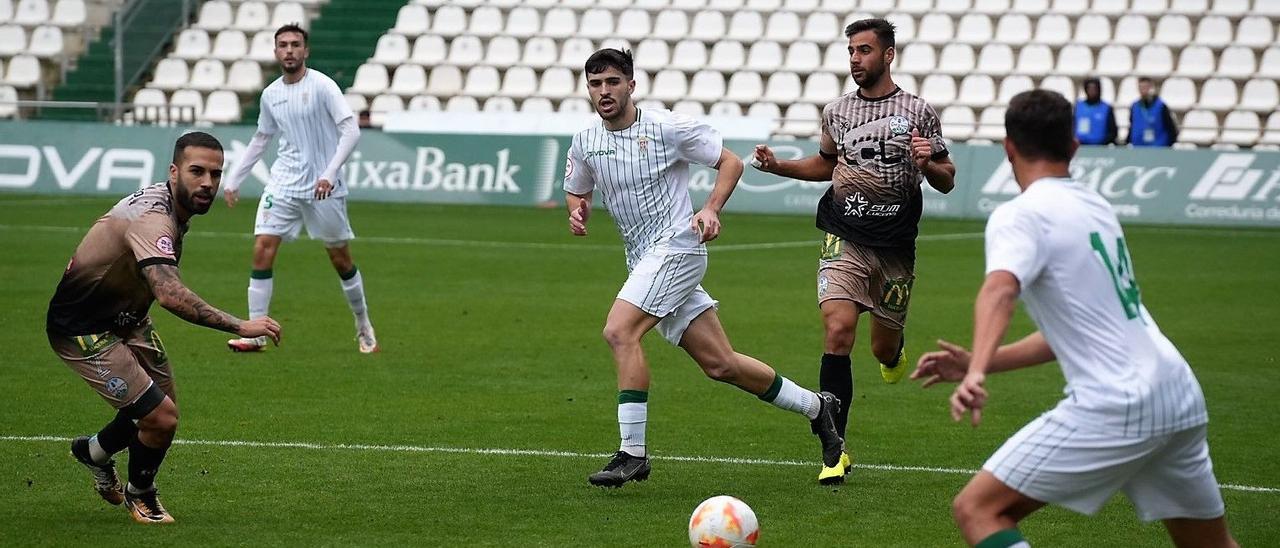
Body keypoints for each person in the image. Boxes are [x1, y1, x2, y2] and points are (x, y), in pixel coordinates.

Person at [910, 89, 1237, 548]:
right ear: (1075, 145)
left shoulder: (1020, 215)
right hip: (1178, 392)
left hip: (1119, 401)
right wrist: (979, 362)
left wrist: (979, 370)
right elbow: (1085, 326)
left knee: (980, 509)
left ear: (1008, 148)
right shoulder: (1097, 207)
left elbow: (1000, 290)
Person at [564, 48, 845, 488]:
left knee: (620, 331)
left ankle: (632, 453)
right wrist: (577, 210)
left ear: (631, 85)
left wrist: (710, 208)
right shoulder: (585, 141)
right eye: (596, 84)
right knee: (722, 365)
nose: (605, 91)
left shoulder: (666, 127)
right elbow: (577, 190)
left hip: (678, 248)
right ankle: (818, 407)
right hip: (643, 259)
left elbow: (730, 161)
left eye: (613, 82)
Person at [750, 17, 955, 484]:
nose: (855, 59)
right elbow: (826, 164)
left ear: (888, 55)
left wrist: (929, 164)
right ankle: (834, 448)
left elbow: (947, 179)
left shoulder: (919, 110)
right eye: (850, 52)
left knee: (881, 349)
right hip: (844, 234)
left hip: (896, 247)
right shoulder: (837, 111)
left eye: (864, 51)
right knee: (837, 330)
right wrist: (779, 165)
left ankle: (893, 352)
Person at [49, 132, 282, 524]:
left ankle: (92, 453)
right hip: (83, 326)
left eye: (215, 173)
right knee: (160, 418)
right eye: (196, 171)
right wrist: (242, 324)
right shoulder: (154, 218)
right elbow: (171, 294)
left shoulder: (173, 207)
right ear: (174, 172)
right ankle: (141, 495)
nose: (207, 182)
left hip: (129, 318)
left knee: (158, 411)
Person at [222, 23, 377, 354]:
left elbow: (351, 130)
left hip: (324, 186)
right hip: (284, 182)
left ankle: (362, 322)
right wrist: (234, 178)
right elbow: (262, 137)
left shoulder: (323, 86)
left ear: (305, 51)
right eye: (283, 45)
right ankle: (255, 332)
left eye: (295, 44)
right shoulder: (271, 95)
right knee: (263, 247)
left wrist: (330, 172)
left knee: (339, 257)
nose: (289, 50)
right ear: (276, 51)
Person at [1127, 77, 1179, 147]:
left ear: (1151, 88)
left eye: (1145, 87)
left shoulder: (1161, 106)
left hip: (1158, 148)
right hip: (1138, 148)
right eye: (1141, 87)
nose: (1143, 90)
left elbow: (1171, 128)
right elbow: (1132, 126)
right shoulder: (1134, 106)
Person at [1074, 77, 1117, 145]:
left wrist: (1103, 142)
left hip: (1100, 148)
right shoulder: (1078, 106)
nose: (1091, 91)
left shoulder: (1106, 108)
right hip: (1080, 147)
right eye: (1089, 88)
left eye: (1094, 88)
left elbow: (1113, 132)